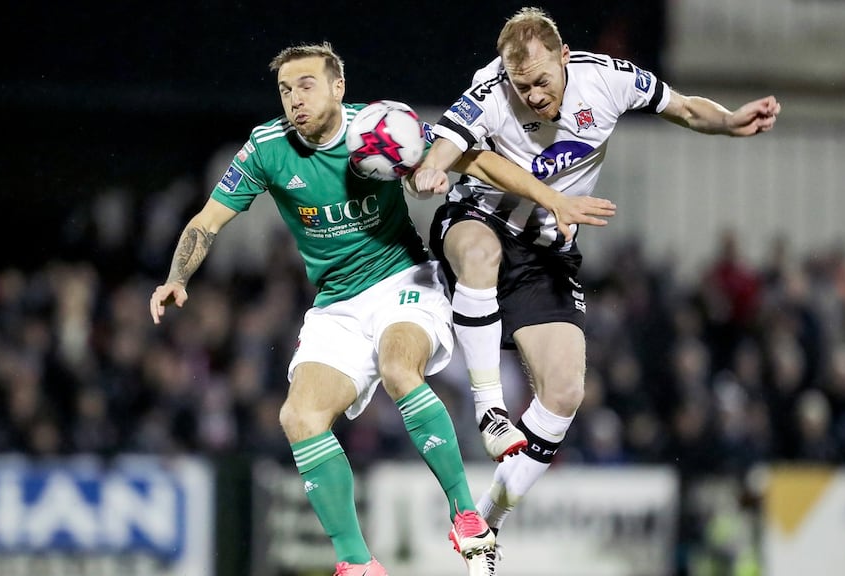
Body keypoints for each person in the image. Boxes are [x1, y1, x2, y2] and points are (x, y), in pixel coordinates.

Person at [148, 41, 581, 576]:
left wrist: (549, 197)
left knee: (400, 368)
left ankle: (467, 516)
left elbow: (476, 158)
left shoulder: (383, 128)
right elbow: (206, 221)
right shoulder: (266, 147)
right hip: (336, 305)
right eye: (285, 90)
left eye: (306, 85)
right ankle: (357, 563)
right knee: (298, 416)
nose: (294, 101)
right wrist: (176, 277)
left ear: (338, 87)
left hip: (405, 279)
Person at [412, 6, 781, 572]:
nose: (534, 95)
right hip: (479, 221)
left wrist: (729, 120)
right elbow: (446, 144)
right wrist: (433, 169)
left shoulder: (607, 78)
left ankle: (482, 522)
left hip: (546, 253)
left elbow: (682, 107)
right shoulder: (490, 89)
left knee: (563, 394)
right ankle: (490, 409)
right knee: (480, 253)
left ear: (564, 58)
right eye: (522, 85)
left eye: (543, 81)